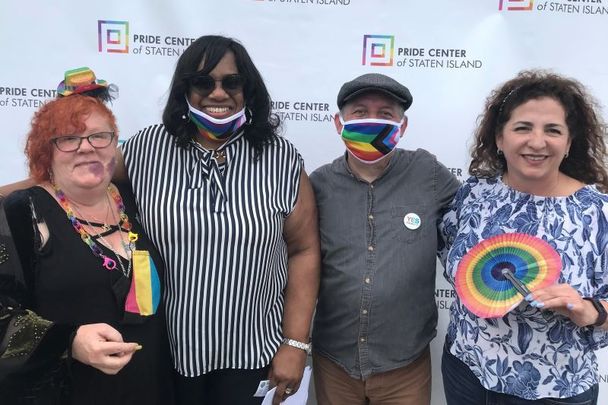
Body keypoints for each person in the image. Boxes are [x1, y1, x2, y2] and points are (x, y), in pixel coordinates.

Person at [114, 35, 320, 405]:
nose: (218, 93)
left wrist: (295, 343)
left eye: (232, 82)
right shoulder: (144, 149)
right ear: (185, 89)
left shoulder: (280, 158)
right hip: (166, 354)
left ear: (248, 89)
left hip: (255, 355)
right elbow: (81, 177)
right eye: (203, 82)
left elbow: (303, 251)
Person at [0, 70, 174, 404]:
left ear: (114, 144)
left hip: (149, 388)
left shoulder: (135, 200)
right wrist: (69, 342)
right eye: (68, 138)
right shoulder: (23, 213)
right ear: (46, 152)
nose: (86, 148)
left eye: (98, 136)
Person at [439, 70, 608, 404]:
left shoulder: (597, 213)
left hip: (553, 390)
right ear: (500, 138)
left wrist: (590, 311)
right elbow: (451, 259)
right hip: (465, 371)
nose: (537, 141)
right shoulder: (474, 194)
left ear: (569, 141)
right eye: (523, 128)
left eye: (553, 130)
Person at [309, 73, 460, 404]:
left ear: (402, 126)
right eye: (360, 112)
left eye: (385, 114)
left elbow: (477, 218)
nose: (372, 121)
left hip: (404, 364)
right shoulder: (318, 185)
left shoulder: (427, 173)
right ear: (339, 122)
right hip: (334, 362)